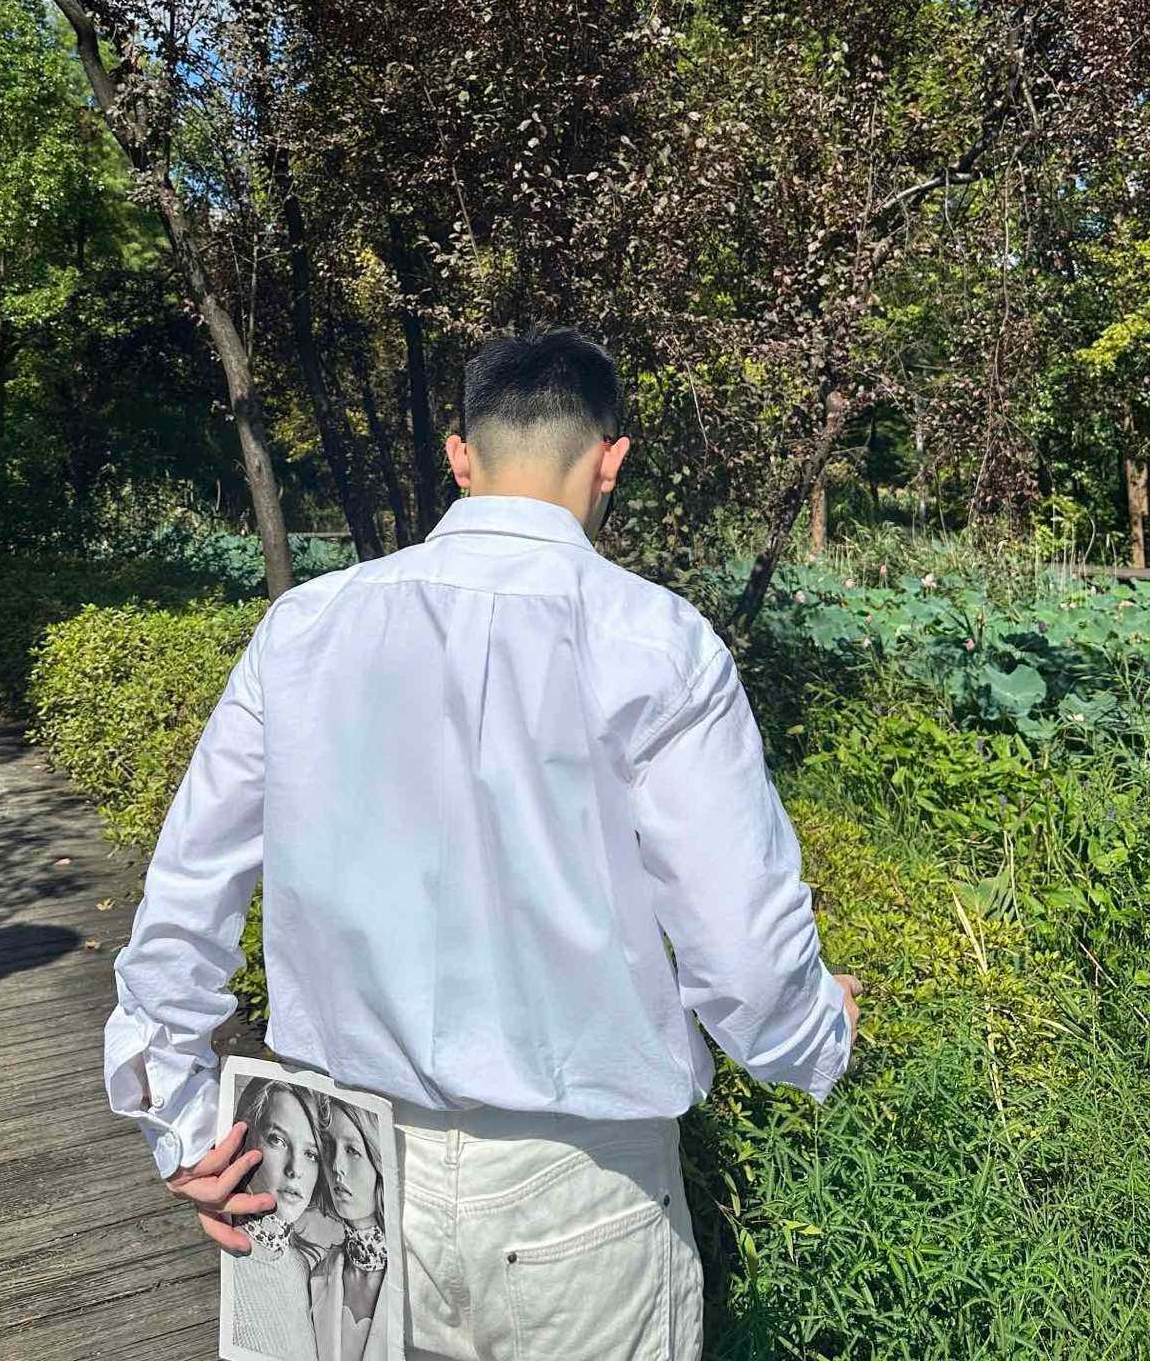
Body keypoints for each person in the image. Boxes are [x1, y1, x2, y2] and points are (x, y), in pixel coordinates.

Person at [105, 326, 862, 1361]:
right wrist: (814, 1034)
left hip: (332, 1168)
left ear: (459, 456)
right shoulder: (656, 641)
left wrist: (185, 1124)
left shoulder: (305, 628)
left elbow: (187, 892)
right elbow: (742, 951)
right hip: (582, 1192)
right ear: (611, 459)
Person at [223, 1078, 327, 1361]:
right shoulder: (222, 1253)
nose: (295, 1169)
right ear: (247, 1142)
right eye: (278, 1140)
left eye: (310, 1154)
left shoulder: (303, 1267)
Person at [308, 1096, 389, 1361]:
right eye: (329, 1147)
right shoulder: (317, 1276)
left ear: (380, 1161)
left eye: (352, 1150)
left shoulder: (418, 1275)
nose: (336, 1166)